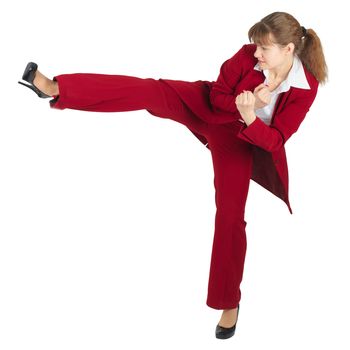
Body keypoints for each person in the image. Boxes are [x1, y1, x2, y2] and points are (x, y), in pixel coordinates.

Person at [18, 11, 328, 339]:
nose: (256, 53)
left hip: (239, 140)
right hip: (209, 106)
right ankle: (58, 89)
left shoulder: (305, 87)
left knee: (230, 217)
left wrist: (250, 116)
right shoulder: (245, 55)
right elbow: (220, 94)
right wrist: (240, 104)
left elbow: (277, 140)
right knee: (151, 91)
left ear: (289, 49)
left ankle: (228, 302)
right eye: (255, 46)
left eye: (265, 49)